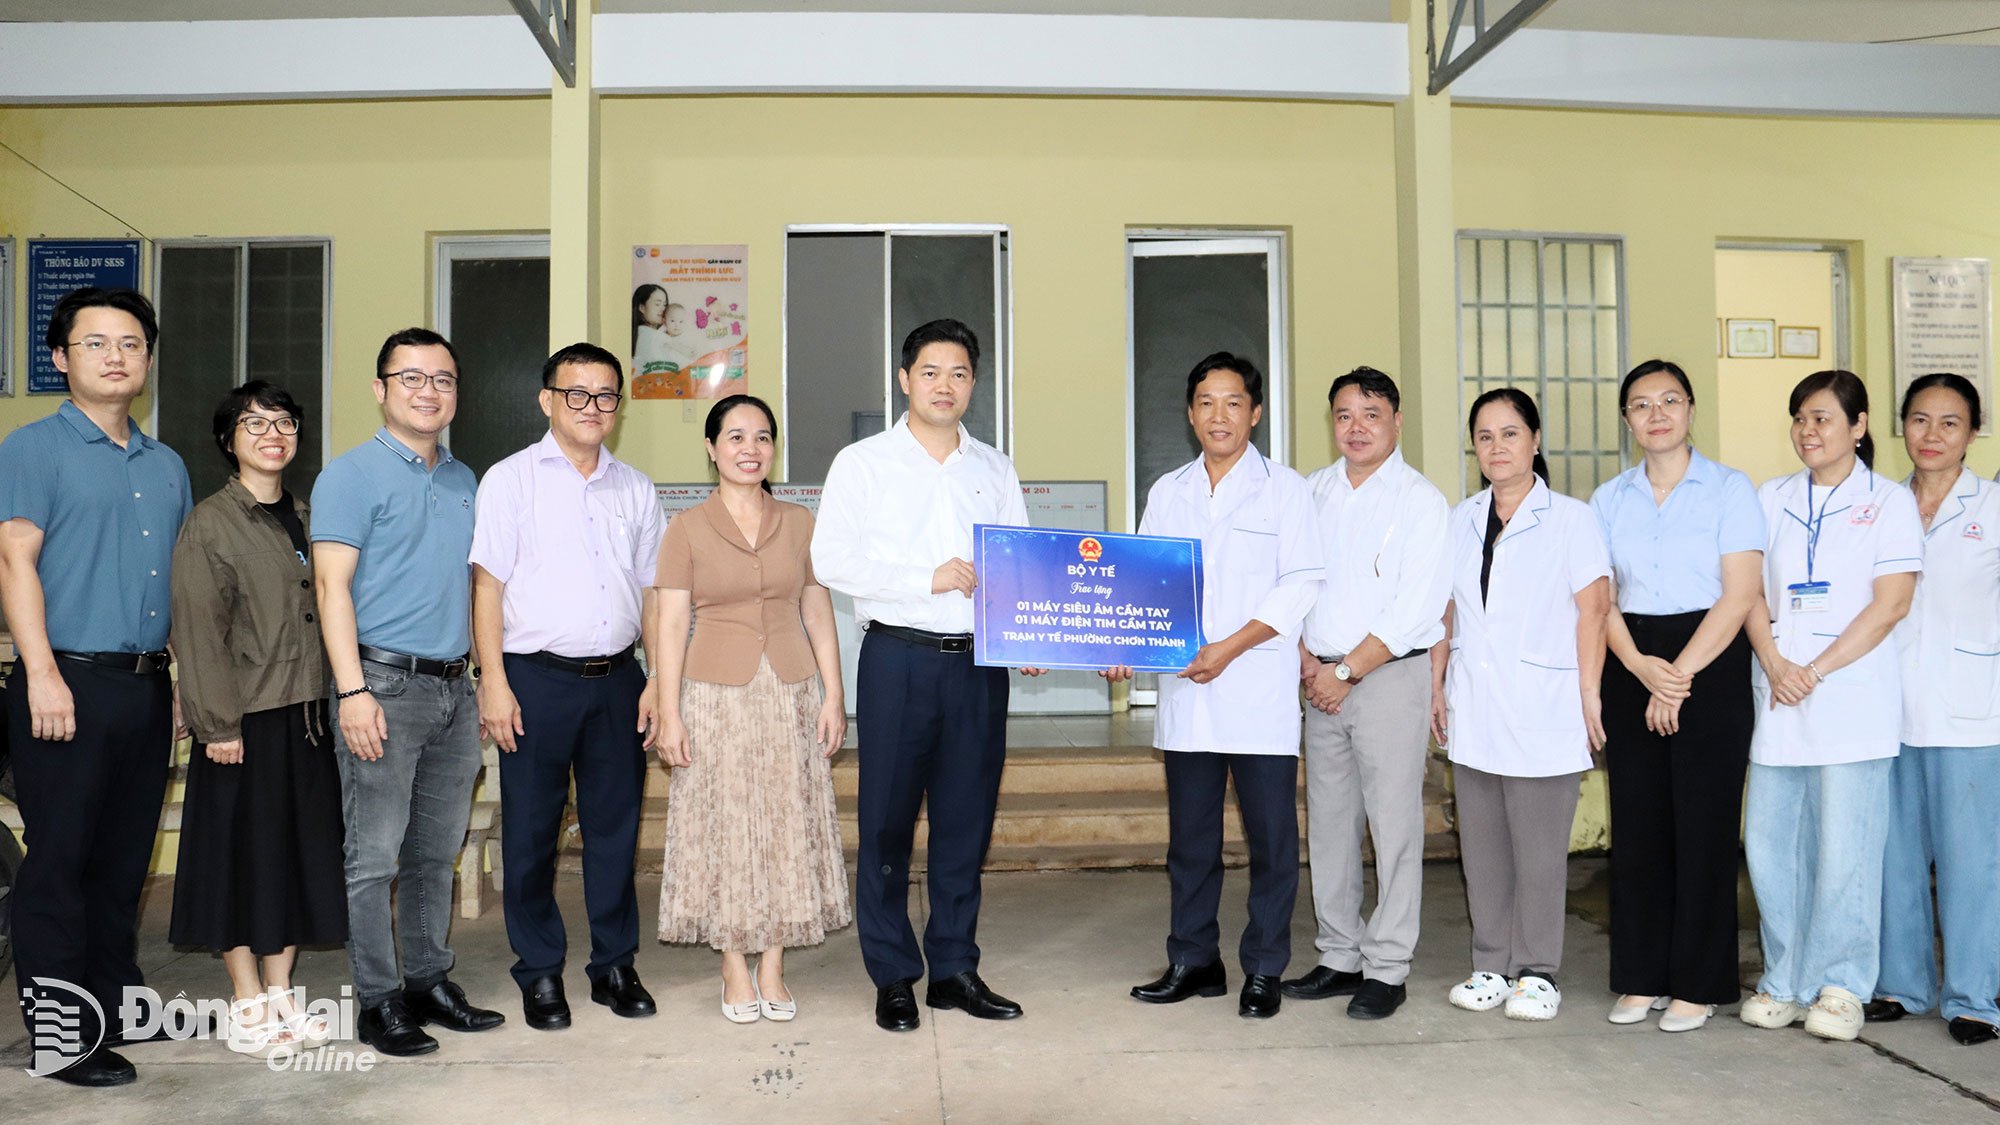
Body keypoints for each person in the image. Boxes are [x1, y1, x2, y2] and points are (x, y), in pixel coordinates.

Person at [810, 318, 1041, 1033]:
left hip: (978, 665)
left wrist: (1027, 629)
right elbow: (831, 560)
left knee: (965, 823)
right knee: (885, 823)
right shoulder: (863, 463)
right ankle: (893, 975)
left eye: (960, 373)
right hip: (897, 658)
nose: (946, 385)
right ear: (905, 379)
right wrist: (927, 577)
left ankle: (953, 969)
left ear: (974, 384)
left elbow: (1019, 560)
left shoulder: (994, 468)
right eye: (931, 372)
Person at [0, 287, 190, 1086]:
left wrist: (178, 683)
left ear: (147, 359)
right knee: (59, 865)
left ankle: (113, 1005)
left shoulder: (167, 463)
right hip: (64, 682)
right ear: (60, 357)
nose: (116, 356)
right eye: (95, 342)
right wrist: (40, 672)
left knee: (121, 863)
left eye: (131, 343)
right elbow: (14, 560)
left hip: (144, 688)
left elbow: (173, 582)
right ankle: (60, 1036)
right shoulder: (32, 448)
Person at [1111, 352, 1324, 1020]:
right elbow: (1142, 580)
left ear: (1255, 413)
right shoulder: (1167, 490)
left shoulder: (1286, 489)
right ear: (1190, 413)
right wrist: (1120, 646)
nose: (1219, 415)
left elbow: (1301, 584)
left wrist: (1229, 647)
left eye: (1233, 402)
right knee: (1191, 841)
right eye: (1206, 402)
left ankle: (1264, 967)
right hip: (1188, 694)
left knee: (1271, 841)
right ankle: (1194, 959)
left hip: (1257, 689)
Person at [311, 327, 505, 1057]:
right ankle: (378, 999)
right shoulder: (350, 475)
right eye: (413, 378)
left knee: (434, 852)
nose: (430, 392)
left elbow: (474, 587)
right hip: (382, 686)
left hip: (453, 689)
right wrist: (352, 690)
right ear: (381, 388)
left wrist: (481, 680)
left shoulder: (463, 479)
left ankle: (428, 980)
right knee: (374, 857)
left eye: (443, 379)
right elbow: (330, 587)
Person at [469, 343, 664, 1031]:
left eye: (606, 395)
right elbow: (487, 588)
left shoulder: (635, 488)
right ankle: (540, 969)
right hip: (534, 679)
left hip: (619, 681)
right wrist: (493, 681)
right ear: (547, 399)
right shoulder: (509, 480)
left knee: (615, 830)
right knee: (531, 832)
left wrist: (656, 680)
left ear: (618, 406)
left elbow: (654, 593)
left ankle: (614, 964)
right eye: (576, 393)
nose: (592, 407)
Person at [654, 394, 852, 1022]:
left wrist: (834, 694)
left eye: (762, 437)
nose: (750, 449)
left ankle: (773, 964)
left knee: (785, 822)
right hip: (714, 694)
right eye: (735, 437)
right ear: (711, 449)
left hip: (790, 691)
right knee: (725, 825)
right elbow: (670, 623)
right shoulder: (686, 528)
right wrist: (669, 710)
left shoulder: (799, 522)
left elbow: (816, 608)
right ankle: (733, 963)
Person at [1739, 369, 1920, 1043]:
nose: (1808, 431)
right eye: (1800, 418)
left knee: (1846, 853)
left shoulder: (1889, 502)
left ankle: (1842, 985)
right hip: (1780, 696)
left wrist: (1814, 669)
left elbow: (1891, 603)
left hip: (1850, 700)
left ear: (1859, 425)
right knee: (1772, 849)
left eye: (1822, 418)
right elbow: (1748, 590)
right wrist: (1774, 662)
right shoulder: (1771, 497)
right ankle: (1784, 980)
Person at [168, 381, 347, 1059]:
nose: (273, 434)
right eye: (255, 424)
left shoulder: (307, 515)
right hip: (244, 721)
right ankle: (245, 1002)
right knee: (238, 862)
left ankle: (280, 993)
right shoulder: (211, 523)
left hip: (308, 716)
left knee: (293, 858)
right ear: (228, 440)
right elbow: (198, 631)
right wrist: (217, 726)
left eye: (284, 423)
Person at [1589, 360, 1764, 1033]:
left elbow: (1740, 593)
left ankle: (1699, 981)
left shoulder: (1729, 488)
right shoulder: (1609, 498)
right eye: (1641, 404)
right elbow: (1600, 597)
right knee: (1638, 827)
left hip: (1710, 661)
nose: (1656, 414)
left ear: (1690, 409)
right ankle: (1642, 976)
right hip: (1631, 658)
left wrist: (1679, 676)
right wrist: (1640, 666)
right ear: (1626, 420)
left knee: (1704, 827)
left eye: (1669, 400)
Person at [1436, 387, 1610, 1023]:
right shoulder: (1460, 519)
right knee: (1483, 850)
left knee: (1538, 854)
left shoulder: (1572, 519)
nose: (1497, 447)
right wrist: (1436, 684)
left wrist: (1589, 695)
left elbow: (1595, 610)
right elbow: (1446, 611)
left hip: (1545, 705)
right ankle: (1490, 964)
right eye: (1484, 437)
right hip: (1474, 702)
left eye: (1510, 434)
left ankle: (1537, 972)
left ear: (1535, 441)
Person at [1280, 366, 1447, 1021]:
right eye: (1344, 415)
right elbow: (1291, 582)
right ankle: (1339, 955)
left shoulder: (1420, 500)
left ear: (1396, 423)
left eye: (1371, 414)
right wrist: (1306, 661)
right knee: (1329, 826)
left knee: (1393, 827)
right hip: (1318, 681)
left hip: (1386, 679)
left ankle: (1387, 967)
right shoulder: (1311, 492)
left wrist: (1345, 672)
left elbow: (1417, 606)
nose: (1356, 427)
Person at [1866, 373, 2000, 1047]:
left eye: (1950, 422)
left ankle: (1974, 996)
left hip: (1972, 711)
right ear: (1902, 426)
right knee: (1894, 855)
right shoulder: (1881, 505)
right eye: (1920, 419)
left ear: (1973, 432)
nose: (1932, 434)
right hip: (1886, 709)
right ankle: (1901, 984)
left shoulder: (1994, 507)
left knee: (1971, 861)